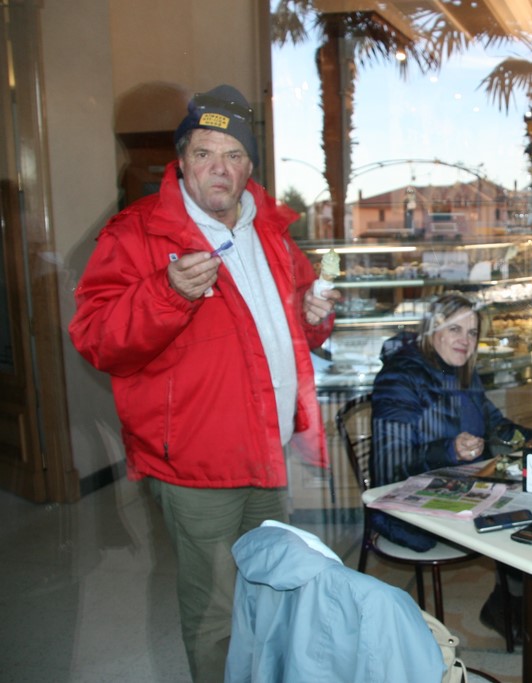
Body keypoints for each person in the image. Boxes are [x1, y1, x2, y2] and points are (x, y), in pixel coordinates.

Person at [68, 84, 341, 683]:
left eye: (233, 154)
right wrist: (167, 293)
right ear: (182, 160)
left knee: (268, 587)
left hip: (269, 448)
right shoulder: (136, 233)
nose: (219, 168)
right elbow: (95, 337)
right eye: (203, 153)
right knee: (216, 610)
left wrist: (313, 317)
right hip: (196, 462)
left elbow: (292, 318)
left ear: (249, 167)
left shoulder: (269, 229)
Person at [370, 292, 532, 641]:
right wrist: (448, 450)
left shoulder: (462, 373)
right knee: (516, 512)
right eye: (455, 329)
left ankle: (508, 604)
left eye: (472, 333)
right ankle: (508, 607)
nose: (465, 340)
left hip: (457, 492)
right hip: (406, 510)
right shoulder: (400, 377)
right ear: (431, 330)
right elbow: (389, 465)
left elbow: (499, 428)